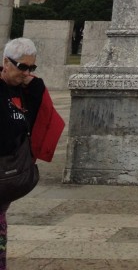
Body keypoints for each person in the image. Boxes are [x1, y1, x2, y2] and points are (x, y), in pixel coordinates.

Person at [1, 38, 64, 269]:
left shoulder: (27, 89)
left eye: (32, 67)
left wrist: (34, 84)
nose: (27, 73)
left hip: (7, 173)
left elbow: (40, 120)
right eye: (22, 67)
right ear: (6, 62)